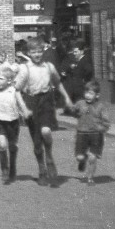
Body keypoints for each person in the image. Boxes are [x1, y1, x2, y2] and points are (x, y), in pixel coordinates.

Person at [14, 37, 74, 186]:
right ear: (29, 52)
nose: (37, 54)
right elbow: (16, 91)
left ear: (43, 51)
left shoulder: (49, 67)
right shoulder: (24, 69)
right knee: (36, 142)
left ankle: (49, 157)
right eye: (33, 52)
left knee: (46, 131)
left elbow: (58, 83)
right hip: (31, 102)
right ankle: (42, 169)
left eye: (39, 51)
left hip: (46, 100)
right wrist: (24, 109)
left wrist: (67, 98)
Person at [72, 80, 110, 184]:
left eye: (91, 93)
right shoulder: (80, 104)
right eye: (86, 93)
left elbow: (106, 122)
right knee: (79, 157)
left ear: (97, 95)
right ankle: (82, 161)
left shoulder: (101, 107)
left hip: (95, 135)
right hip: (81, 133)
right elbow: (73, 112)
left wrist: (101, 128)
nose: (87, 95)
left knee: (93, 157)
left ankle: (90, 178)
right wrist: (73, 110)